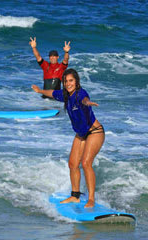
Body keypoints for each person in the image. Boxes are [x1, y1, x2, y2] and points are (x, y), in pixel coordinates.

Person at [32, 69, 105, 208]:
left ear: (76, 81)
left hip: (95, 132)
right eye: (66, 81)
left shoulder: (80, 94)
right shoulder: (65, 95)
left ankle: (91, 199)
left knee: (86, 163)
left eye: (71, 81)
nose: (68, 84)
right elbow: (52, 93)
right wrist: (40, 91)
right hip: (81, 134)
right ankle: (75, 196)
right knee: (72, 164)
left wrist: (88, 103)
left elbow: (84, 99)